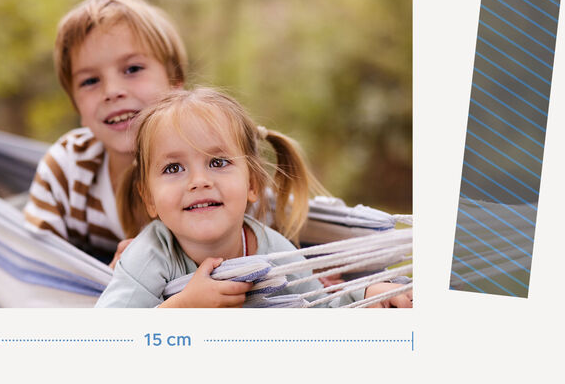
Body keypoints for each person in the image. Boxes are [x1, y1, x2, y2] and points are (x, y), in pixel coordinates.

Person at [95, 88, 411, 307]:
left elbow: (322, 312)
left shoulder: (275, 252)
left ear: (253, 184)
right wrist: (181, 310)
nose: (199, 181)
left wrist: (370, 292)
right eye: (174, 167)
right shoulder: (149, 256)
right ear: (149, 198)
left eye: (218, 163)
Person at [23, 0, 187, 266]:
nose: (111, 92)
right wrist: (115, 286)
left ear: (175, 82)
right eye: (90, 81)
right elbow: (37, 271)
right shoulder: (66, 169)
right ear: (77, 107)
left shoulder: (212, 161)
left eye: (133, 68)